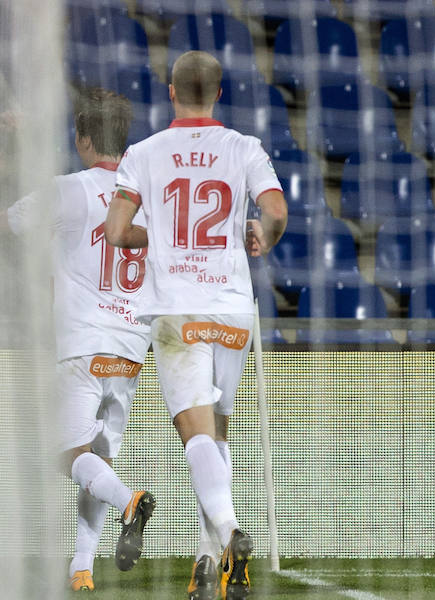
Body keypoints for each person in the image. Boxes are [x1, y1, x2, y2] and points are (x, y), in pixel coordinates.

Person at [0, 87, 155, 592]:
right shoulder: (147, 195)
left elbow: (6, 224)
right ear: (125, 144)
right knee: (95, 460)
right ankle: (81, 567)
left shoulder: (70, 189)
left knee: (67, 455)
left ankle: (130, 500)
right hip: (131, 346)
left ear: (83, 140)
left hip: (83, 343)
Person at [105, 51, 288, 600]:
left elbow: (116, 231)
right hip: (232, 308)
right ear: (219, 93)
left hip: (178, 310)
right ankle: (209, 564)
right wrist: (261, 235)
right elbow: (276, 212)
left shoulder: (144, 152)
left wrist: (158, 241)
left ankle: (230, 532)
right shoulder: (243, 148)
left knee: (195, 435)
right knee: (218, 434)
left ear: (169, 92)